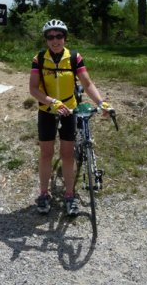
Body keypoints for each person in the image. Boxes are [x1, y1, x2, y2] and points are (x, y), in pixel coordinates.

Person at [29, 19, 110, 216]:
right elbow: (33, 89)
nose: (55, 40)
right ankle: (44, 194)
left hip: (70, 110)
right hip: (47, 110)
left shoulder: (74, 57)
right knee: (46, 154)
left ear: (65, 37)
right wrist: (52, 102)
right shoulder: (39, 59)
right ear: (46, 39)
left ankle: (69, 195)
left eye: (59, 36)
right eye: (50, 36)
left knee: (67, 154)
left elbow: (87, 83)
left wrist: (101, 103)